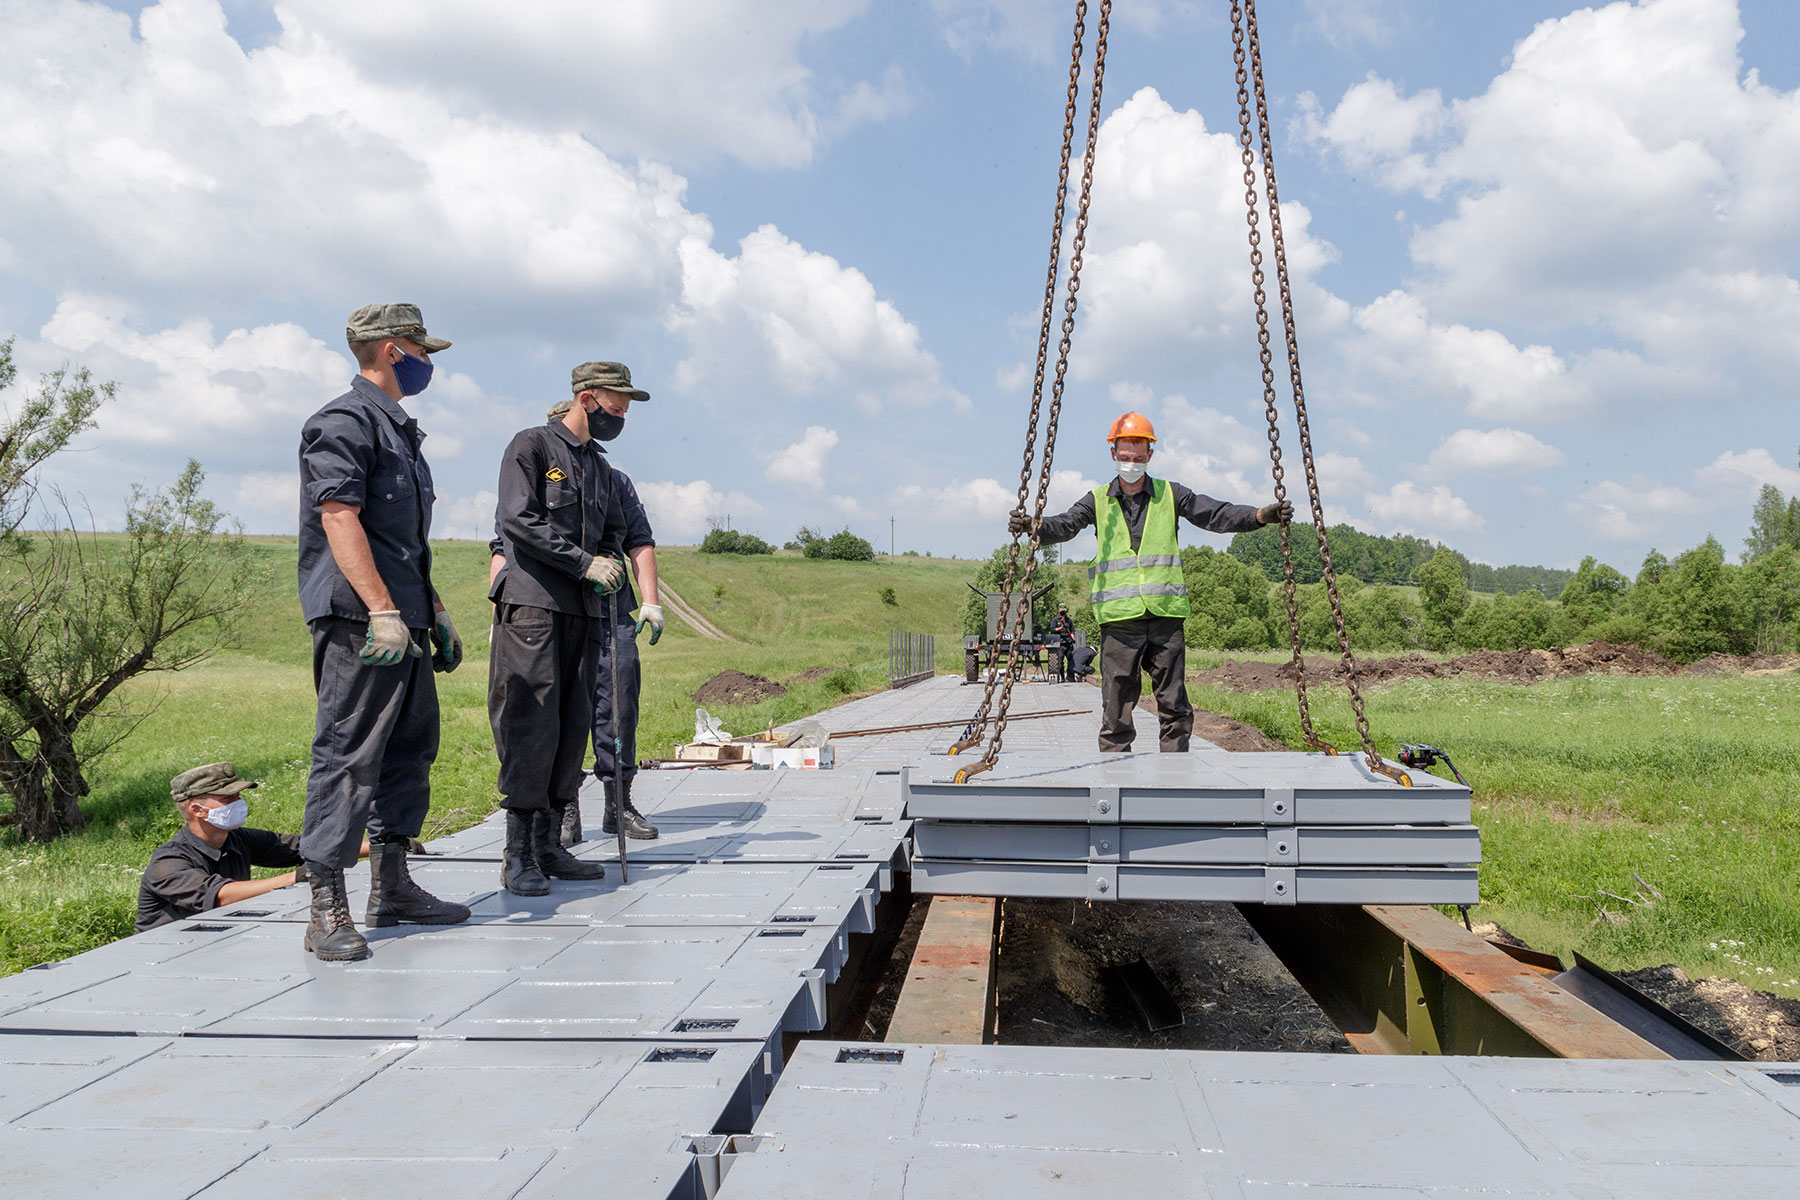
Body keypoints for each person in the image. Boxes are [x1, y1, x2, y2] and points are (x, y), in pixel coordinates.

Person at [296, 303, 472, 962]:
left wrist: (433, 609)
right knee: (348, 754)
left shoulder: (400, 431)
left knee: (408, 750)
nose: (431, 363)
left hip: (403, 617)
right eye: (424, 350)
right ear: (395, 350)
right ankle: (325, 908)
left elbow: (399, 541)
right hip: (359, 621)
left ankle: (392, 886)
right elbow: (339, 516)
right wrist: (380, 610)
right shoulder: (344, 422)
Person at [1014, 411, 1291, 752]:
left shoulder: (1171, 495)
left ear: (1150, 456)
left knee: (1174, 703)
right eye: (1125, 457)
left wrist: (1259, 516)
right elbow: (1065, 525)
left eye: (1138, 457)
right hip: (1120, 620)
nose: (1131, 463)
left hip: (1165, 617)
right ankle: (1114, 773)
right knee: (1116, 707)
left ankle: (1174, 776)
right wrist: (1033, 527)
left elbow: (1214, 513)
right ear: (1113, 454)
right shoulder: (1097, 500)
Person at [491, 362, 663, 847]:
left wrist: (627, 581)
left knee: (592, 717)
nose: (620, 420)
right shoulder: (530, 447)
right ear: (585, 400)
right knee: (536, 722)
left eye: (625, 412)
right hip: (538, 609)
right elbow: (514, 525)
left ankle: (576, 828)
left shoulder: (603, 470)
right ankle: (529, 843)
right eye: (615, 409)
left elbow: (624, 535)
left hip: (593, 612)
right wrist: (583, 563)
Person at [136, 763, 372, 932]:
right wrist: (298, 876)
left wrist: (374, 848)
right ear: (197, 810)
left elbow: (301, 847)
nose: (238, 803)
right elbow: (221, 896)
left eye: (238, 796)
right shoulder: (168, 863)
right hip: (166, 953)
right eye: (228, 799)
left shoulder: (236, 839)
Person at [1049, 604, 1076, 683]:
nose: (1062, 611)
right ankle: (1062, 677)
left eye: (1064, 610)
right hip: (1060, 642)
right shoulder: (1055, 619)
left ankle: (1070, 677)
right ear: (1058, 610)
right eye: (1061, 610)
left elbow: (1072, 630)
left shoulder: (1069, 620)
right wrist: (1061, 628)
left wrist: (1072, 638)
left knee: (1071, 660)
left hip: (1068, 642)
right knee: (1060, 662)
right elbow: (1053, 630)